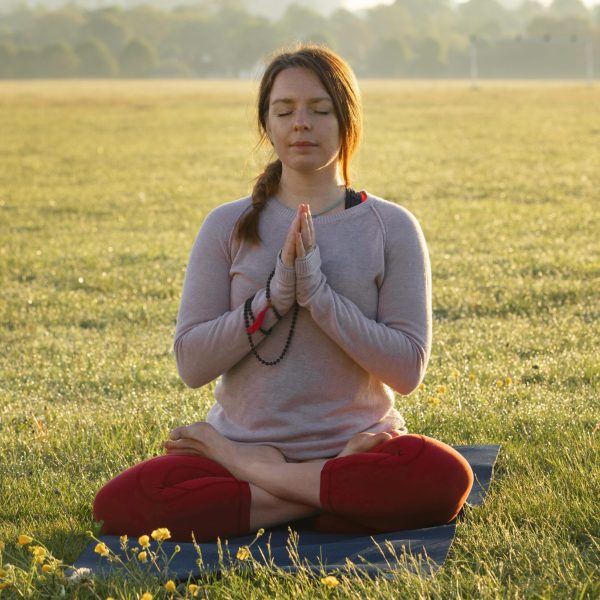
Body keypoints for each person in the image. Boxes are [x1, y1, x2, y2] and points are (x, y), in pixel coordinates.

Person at [93, 45, 473, 542]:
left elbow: (406, 371)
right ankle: (325, 497)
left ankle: (270, 490)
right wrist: (272, 300)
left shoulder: (391, 227)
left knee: (443, 477)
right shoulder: (226, 225)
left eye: (320, 110)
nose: (301, 124)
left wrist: (320, 297)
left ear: (347, 120)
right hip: (251, 446)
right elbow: (192, 364)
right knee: (118, 504)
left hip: (357, 446)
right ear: (266, 124)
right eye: (285, 110)